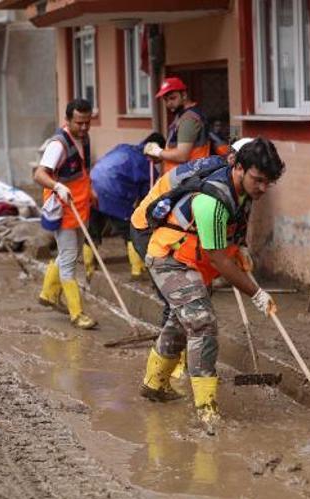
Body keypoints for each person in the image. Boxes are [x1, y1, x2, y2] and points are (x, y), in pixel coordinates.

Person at [136, 137, 285, 433]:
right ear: (239, 168)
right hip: (170, 257)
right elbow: (219, 261)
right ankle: (206, 410)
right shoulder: (212, 201)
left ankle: (154, 384)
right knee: (202, 324)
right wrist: (256, 293)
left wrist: (240, 247)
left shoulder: (243, 192)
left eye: (269, 182)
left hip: (193, 260)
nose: (263, 188)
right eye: (258, 180)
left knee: (182, 322)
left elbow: (233, 232)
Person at [34, 99, 98, 330]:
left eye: (87, 122)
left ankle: (48, 294)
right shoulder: (58, 145)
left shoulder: (85, 138)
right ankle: (77, 314)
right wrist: (57, 186)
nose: (83, 127)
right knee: (70, 260)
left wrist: (90, 191)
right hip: (64, 208)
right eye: (79, 123)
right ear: (68, 120)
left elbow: (82, 170)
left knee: (69, 253)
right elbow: (40, 174)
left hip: (81, 205)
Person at [85, 132, 165, 281]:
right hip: (112, 192)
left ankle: (88, 269)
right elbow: (147, 199)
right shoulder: (148, 166)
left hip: (92, 185)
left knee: (92, 230)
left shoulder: (124, 147)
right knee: (130, 231)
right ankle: (137, 271)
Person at [143, 77, 210, 175]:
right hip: (185, 177)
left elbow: (182, 155)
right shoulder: (182, 116)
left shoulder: (188, 119)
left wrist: (157, 151)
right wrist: (159, 156)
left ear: (184, 95)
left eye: (172, 98)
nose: (169, 103)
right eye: (165, 100)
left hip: (188, 179)